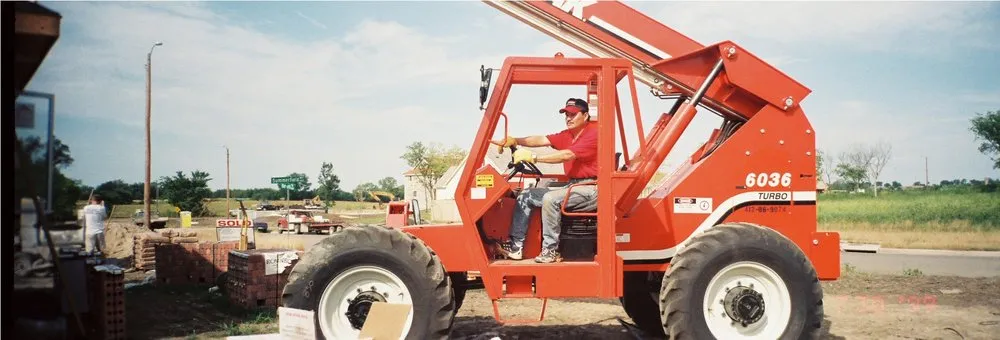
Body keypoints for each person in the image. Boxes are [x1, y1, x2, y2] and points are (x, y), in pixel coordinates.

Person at [490, 98, 599, 263]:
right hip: (574, 185)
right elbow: (542, 139)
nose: (568, 118)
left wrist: (534, 158)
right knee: (526, 195)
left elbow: (567, 155)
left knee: (550, 199)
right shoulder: (569, 135)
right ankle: (516, 246)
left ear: (585, 116)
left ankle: (550, 250)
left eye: (573, 114)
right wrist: (514, 141)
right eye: (566, 114)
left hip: (592, 187)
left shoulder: (594, 134)